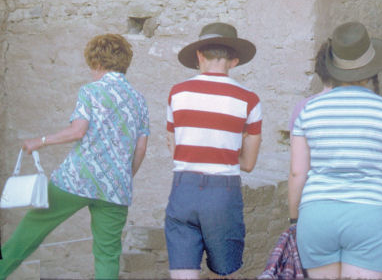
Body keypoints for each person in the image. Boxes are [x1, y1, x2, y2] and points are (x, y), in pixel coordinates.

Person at [0, 34, 149, 280]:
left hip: (76, 180)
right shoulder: (139, 100)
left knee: (29, 231)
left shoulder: (90, 91)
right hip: (116, 190)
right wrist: (121, 177)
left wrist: (41, 141)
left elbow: (77, 131)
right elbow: (141, 149)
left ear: (97, 63)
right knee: (107, 254)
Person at [288, 22, 382, 279]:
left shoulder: (309, 111)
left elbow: (297, 173)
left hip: (317, 213)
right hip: (372, 214)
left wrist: (294, 219)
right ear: (371, 70)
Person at [165, 22, 262, 279]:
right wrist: (223, 151)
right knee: (225, 271)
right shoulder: (248, 99)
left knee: (183, 273)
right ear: (234, 61)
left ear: (199, 56)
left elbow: (175, 148)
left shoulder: (177, 93)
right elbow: (249, 163)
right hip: (223, 191)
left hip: (183, 188)